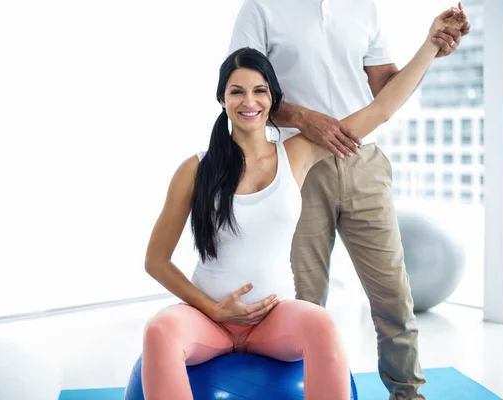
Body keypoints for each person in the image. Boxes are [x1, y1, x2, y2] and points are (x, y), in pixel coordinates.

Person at [140, 13, 451, 399]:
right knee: (158, 331)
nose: (248, 101)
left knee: (321, 324)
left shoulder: (297, 155)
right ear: (221, 98)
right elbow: (155, 260)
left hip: (274, 320)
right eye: (236, 91)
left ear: (273, 100)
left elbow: (381, 107)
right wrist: (214, 310)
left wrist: (431, 45)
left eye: (259, 91)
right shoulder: (195, 168)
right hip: (208, 319)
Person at [227, 1, 470, 398]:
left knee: (394, 296)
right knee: (301, 298)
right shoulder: (261, 8)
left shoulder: (365, 8)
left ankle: (408, 394)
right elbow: (243, 90)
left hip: (364, 161)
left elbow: (385, 91)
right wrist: (306, 119)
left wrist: (431, 46)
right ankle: (299, 392)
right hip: (295, 164)